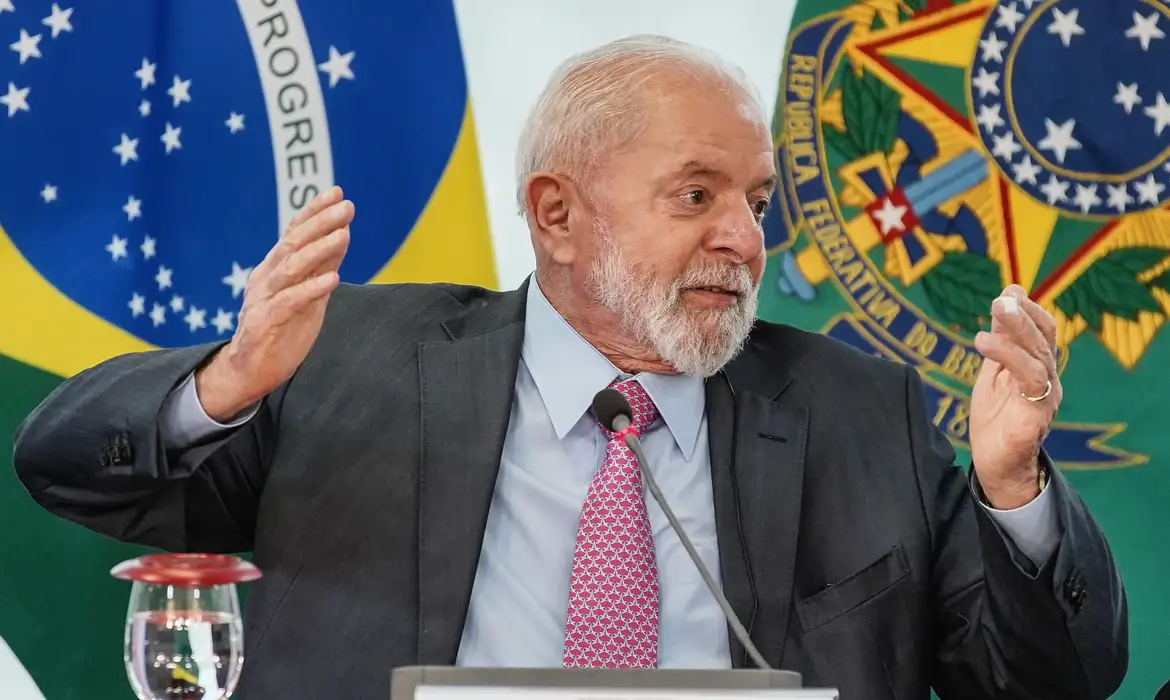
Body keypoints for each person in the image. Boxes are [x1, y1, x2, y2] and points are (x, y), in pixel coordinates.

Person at [12, 35, 1126, 700]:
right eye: (697, 195)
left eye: (757, 202)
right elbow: (67, 470)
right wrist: (229, 383)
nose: (745, 240)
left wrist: (1013, 492)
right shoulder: (355, 358)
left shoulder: (855, 411)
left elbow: (1049, 684)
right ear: (556, 214)